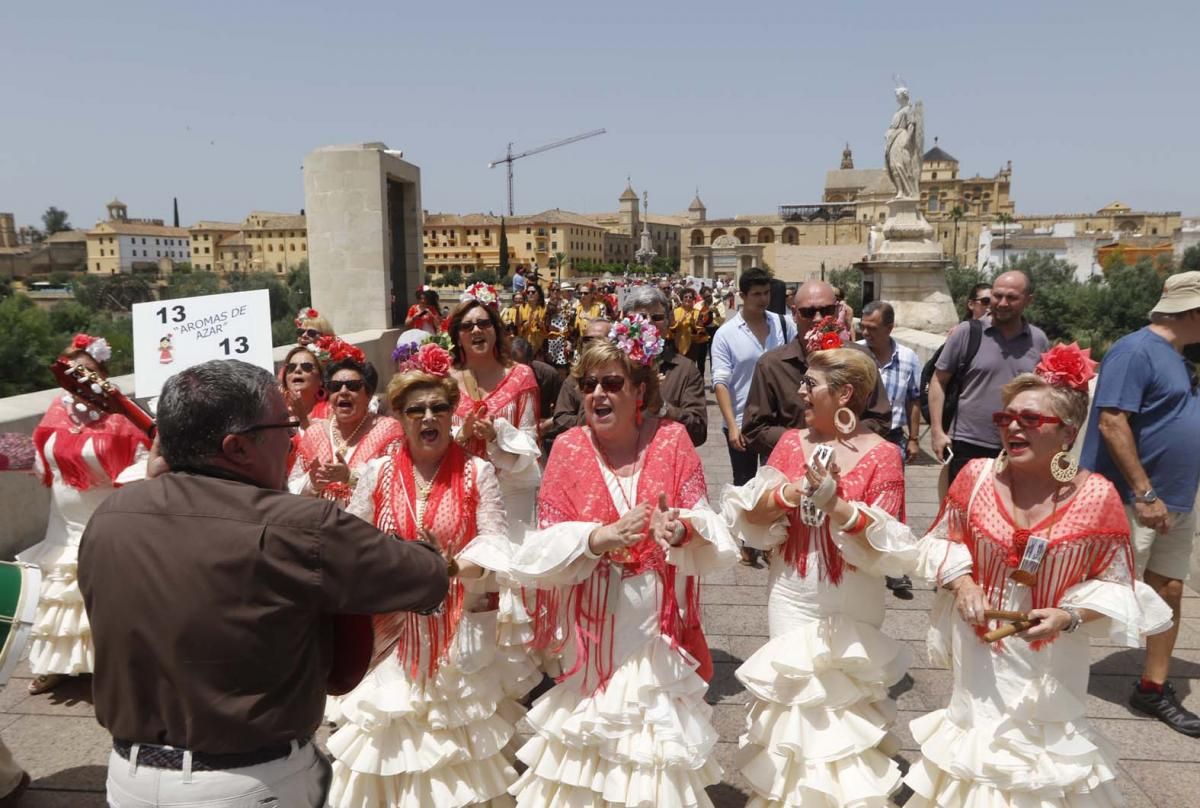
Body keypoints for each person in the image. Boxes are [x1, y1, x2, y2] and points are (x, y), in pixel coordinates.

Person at [79, 359, 450, 808]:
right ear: (237, 447)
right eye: (285, 426)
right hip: (249, 784)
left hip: (128, 779)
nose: (294, 439)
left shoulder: (111, 516)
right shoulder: (302, 527)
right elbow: (426, 577)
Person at [818, 344, 1172, 806]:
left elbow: (1116, 581)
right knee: (976, 747)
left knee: (1043, 758)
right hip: (981, 642)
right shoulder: (976, 477)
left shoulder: (1098, 495)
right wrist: (963, 583)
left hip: (1053, 655)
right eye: (1006, 419)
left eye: (1030, 420)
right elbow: (942, 542)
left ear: (1067, 432)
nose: (1013, 428)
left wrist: (1069, 616)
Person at [508, 326, 739, 807]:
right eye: (588, 384)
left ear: (640, 390)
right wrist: (598, 538)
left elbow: (705, 518)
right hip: (591, 629)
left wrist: (681, 530)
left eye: (611, 383)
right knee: (589, 742)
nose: (597, 393)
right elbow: (541, 546)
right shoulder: (569, 448)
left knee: (651, 747)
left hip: (656, 624)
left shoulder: (672, 439)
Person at [327, 352, 528, 807]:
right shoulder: (377, 473)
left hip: (456, 635)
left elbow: (495, 545)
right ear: (398, 417)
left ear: (452, 412)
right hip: (391, 638)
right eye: (416, 410)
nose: (428, 417)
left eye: (438, 407)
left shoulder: (477, 472)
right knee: (392, 749)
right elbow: (352, 544)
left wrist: (451, 568)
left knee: (457, 760)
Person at [723, 346, 913, 806]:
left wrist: (838, 505)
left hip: (851, 594)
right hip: (791, 589)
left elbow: (888, 543)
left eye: (811, 384)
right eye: (803, 382)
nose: (801, 392)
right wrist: (792, 491)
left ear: (845, 393)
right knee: (794, 697)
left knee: (842, 704)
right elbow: (753, 512)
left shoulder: (883, 455)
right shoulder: (791, 443)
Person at [1080, 270, 1200, 736]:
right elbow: (1112, 421)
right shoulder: (1135, 350)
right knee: (1101, 590)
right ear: (1193, 312)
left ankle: (1153, 687)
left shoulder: (1177, 357)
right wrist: (1144, 492)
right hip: (1138, 500)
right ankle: (1040, 671)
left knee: (1168, 589)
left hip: (1175, 498)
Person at [21, 334, 151, 695]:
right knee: (62, 591)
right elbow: (37, 455)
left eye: (89, 370)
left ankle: (116, 667)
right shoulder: (56, 410)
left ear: (102, 375)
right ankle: (57, 664)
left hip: (106, 515)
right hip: (63, 520)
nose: (81, 377)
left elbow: (144, 463)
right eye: (74, 371)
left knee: (110, 590)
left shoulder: (120, 416)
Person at [742, 281, 892, 462]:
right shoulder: (771, 365)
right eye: (808, 312)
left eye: (826, 310)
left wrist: (840, 435)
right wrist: (805, 441)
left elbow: (880, 418)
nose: (818, 318)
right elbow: (754, 430)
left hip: (850, 462)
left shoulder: (860, 359)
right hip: (790, 469)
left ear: (837, 311)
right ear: (795, 314)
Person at [929, 270, 1048, 485]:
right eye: (997, 295)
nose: (1002, 303)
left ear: (1028, 301)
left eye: (1011, 297)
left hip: (1018, 444)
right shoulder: (967, 332)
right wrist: (937, 432)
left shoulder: (1038, 340)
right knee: (964, 512)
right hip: (967, 443)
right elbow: (938, 380)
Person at [552, 288, 708, 447]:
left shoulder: (685, 370)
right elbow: (564, 417)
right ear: (624, 321)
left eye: (657, 317)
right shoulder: (597, 365)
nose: (648, 322)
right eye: (639, 317)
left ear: (670, 322)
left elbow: (698, 433)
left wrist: (661, 408)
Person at [448, 294, 542, 527]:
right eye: (467, 326)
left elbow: (530, 439)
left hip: (509, 494)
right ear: (458, 337)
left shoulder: (521, 376)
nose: (476, 330)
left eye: (484, 323)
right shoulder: (443, 380)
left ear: (495, 330)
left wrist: (495, 435)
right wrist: (464, 433)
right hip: (456, 488)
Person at [289, 341, 403, 505]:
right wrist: (312, 483)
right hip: (319, 525)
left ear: (369, 395)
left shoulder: (387, 430)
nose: (343, 392)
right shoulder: (315, 432)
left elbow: (396, 483)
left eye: (353, 386)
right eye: (335, 386)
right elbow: (290, 488)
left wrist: (349, 477)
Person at [858, 301, 922, 462]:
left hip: (892, 438)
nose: (865, 333)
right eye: (862, 326)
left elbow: (913, 400)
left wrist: (913, 439)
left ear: (889, 328)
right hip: (857, 436)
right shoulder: (854, 353)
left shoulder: (908, 358)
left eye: (872, 328)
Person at [511, 336, 562, 447]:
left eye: (521, 367)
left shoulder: (549, 375)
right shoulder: (496, 376)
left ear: (530, 362)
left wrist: (547, 424)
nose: (516, 372)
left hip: (539, 435)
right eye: (512, 367)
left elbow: (563, 413)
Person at [544, 284, 575, 375]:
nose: (555, 292)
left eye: (557, 290)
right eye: (553, 290)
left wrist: (568, 340)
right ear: (549, 291)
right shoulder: (544, 302)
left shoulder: (565, 303)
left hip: (563, 338)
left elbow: (569, 322)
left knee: (562, 367)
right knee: (549, 367)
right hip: (548, 339)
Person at [519, 284, 548, 356]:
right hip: (525, 344)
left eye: (533, 292)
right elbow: (519, 328)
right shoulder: (522, 307)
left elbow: (547, 328)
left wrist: (539, 322)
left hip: (540, 344)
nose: (530, 294)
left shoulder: (544, 308)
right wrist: (527, 323)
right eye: (528, 292)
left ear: (539, 294)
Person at [672, 287, 698, 358]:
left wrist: (693, 324)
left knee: (689, 366)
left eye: (690, 297)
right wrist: (680, 321)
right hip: (677, 343)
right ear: (682, 298)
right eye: (685, 297)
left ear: (693, 299)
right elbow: (671, 328)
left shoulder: (697, 312)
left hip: (692, 345)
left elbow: (700, 331)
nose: (688, 298)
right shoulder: (675, 311)